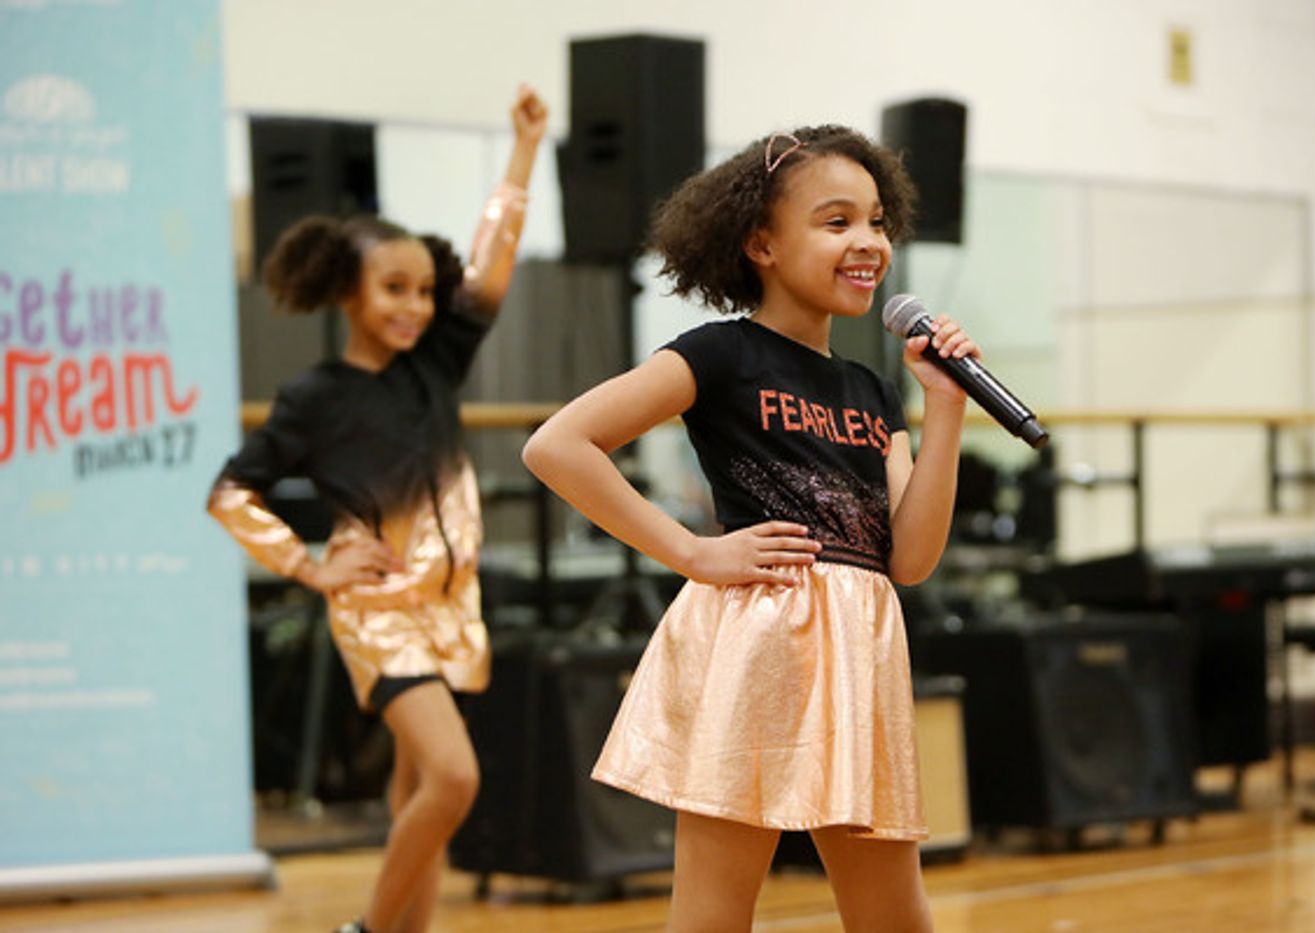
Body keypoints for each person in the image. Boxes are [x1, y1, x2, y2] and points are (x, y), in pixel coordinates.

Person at [522, 124, 978, 932]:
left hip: (863, 649)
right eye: (836, 222)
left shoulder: (875, 390)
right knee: (712, 914)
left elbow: (909, 559)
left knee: (896, 917)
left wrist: (944, 410)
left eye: (876, 221)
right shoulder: (721, 355)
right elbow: (558, 445)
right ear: (761, 243)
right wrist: (693, 551)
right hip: (761, 641)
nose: (867, 242)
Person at [208, 85, 547, 933]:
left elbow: (493, 261)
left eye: (425, 291)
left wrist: (522, 151)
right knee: (455, 779)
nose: (415, 306)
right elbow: (231, 491)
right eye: (393, 288)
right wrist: (310, 564)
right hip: (378, 609)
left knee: (416, 793)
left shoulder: (434, 365)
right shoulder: (314, 397)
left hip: (451, 607)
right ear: (346, 291)